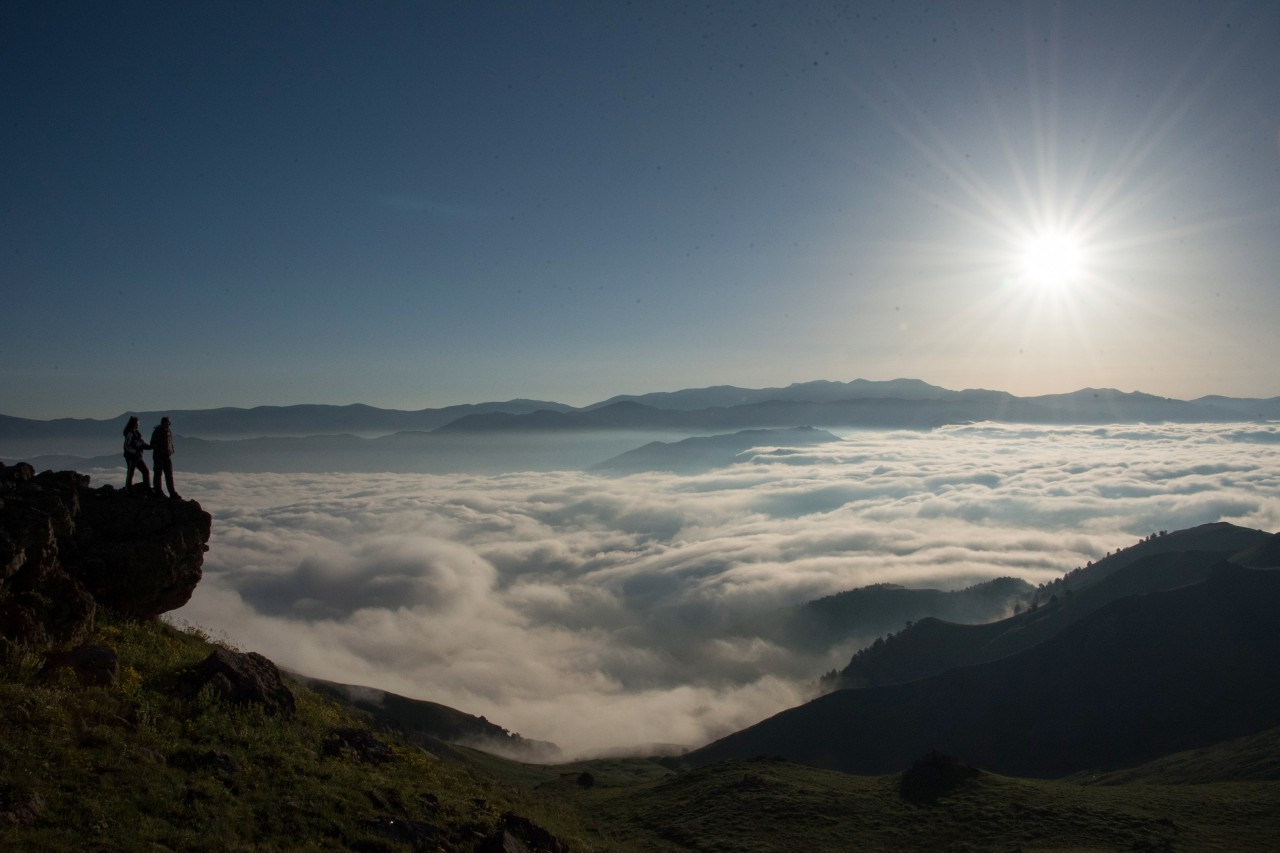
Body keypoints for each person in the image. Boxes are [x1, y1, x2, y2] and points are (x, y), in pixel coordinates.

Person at [150, 416, 181, 499]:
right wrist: (161, 450)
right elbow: (152, 444)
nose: (168, 425)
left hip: (167, 456)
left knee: (169, 475)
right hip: (159, 457)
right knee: (158, 474)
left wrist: (171, 450)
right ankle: (158, 491)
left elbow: (170, 442)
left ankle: (172, 493)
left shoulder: (169, 431)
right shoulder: (157, 431)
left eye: (169, 423)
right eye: (167, 423)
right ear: (162, 423)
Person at [122, 416, 152, 494]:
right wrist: (135, 452)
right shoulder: (130, 433)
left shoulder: (137, 433)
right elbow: (126, 446)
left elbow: (142, 444)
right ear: (134, 423)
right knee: (130, 473)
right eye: (137, 423)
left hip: (137, 457)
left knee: (145, 471)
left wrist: (151, 447)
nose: (138, 424)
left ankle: (147, 489)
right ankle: (129, 490)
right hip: (131, 457)